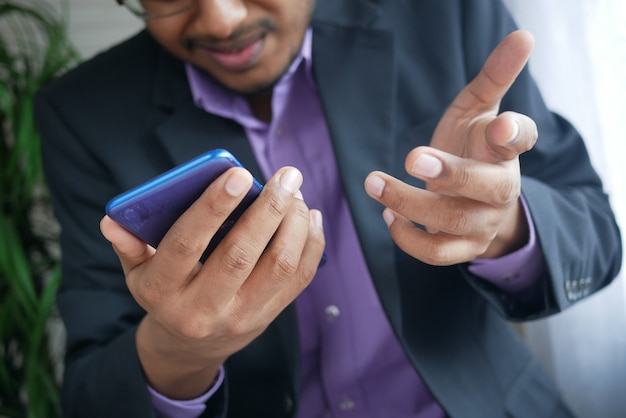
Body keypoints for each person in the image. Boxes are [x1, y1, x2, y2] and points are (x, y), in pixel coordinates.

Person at [34, 0, 622, 417]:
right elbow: (92, 393)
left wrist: (503, 226)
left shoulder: (446, 11)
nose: (220, 18)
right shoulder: (83, 113)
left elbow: (596, 239)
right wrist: (182, 350)